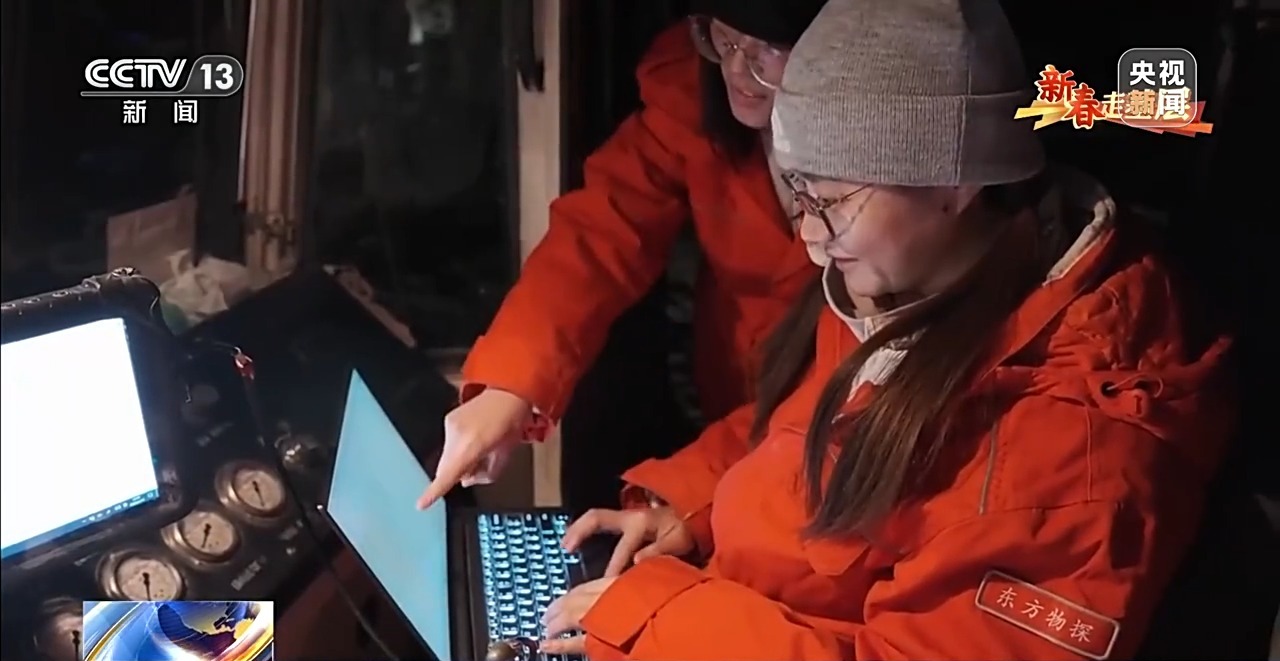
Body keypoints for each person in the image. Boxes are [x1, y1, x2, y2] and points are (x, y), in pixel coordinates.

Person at [537, 0, 1237, 658]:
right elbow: (811, 433)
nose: (810, 236)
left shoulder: (1070, 466)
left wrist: (658, 619)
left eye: (832, 199)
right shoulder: (912, 284)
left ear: (956, 180)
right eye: (798, 192)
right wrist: (691, 509)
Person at [417, 0, 827, 508]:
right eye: (723, 39)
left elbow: (851, 387)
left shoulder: (893, 170)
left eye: (766, 51)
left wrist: (683, 497)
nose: (738, 69)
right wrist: (510, 385)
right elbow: (601, 231)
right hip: (735, 403)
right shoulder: (693, 86)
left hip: (838, 438)